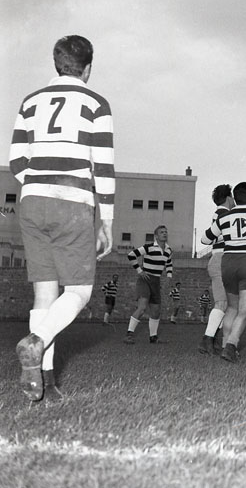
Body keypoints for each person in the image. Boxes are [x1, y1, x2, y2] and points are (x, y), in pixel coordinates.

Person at [9, 35, 114, 402]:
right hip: (73, 202)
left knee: (44, 293)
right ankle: (36, 341)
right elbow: (103, 167)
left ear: (57, 64)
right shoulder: (96, 104)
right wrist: (106, 221)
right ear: (88, 68)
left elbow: (16, 161)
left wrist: (39, 184)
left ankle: (44, 382)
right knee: (79, 291)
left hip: (33, 201)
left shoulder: (30, 101)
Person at [203, 182, 246, 363]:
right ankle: (231, 345)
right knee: (245, 310)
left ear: (235, 198)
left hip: (228, 263)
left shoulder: (224, 217)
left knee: (232, 307)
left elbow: (205, 239)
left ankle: (225, 344)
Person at [198, 184, 234, 355]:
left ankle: (212, 340)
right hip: (221, 260)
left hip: (219, 259)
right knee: (222, 303)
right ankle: (207, 340)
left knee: (224, 304)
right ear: (228, 198)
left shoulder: (218, 214)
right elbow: (206, 239)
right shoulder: (224, 215)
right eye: (232, 197)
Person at [124, 225, 173, 344]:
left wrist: (169, 277)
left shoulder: (168, 250)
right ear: (156, 236)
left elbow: (169, 264)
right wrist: (139, 271)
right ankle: (129, 335)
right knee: (142, 308)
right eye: (161, 232)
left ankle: (153, 338)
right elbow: (131, 255)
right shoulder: (148, 247)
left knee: (156, 311)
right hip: (145, 280)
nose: (164, 234)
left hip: (156, 281)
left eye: (165, 232)